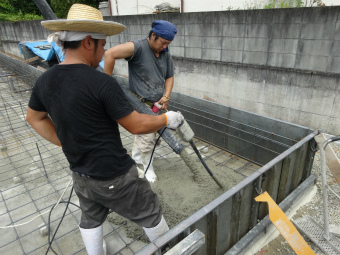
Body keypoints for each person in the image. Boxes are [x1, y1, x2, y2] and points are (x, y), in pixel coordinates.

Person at [25, 4, 184, 255]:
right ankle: (172, 249)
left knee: (91, 216)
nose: (104, 51)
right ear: (89, 42)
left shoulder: (46, 79)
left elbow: (33, 118)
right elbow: (136, 125)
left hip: (81, 173)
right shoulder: (100, 82)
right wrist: (168, 119)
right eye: (102, 44)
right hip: (113, 176)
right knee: (149, 210)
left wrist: (65, 142)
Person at [104, 20, 177, 183]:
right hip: (139, 103)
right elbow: (109, 54)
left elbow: (170, 76)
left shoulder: (165, 53)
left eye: (168, 44)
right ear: (152, 35)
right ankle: (147, 168)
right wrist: (106, 84)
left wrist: (166, 96)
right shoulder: (137, 47)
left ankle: (137, 158)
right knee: (148, 137)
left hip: (157, 104)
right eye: (163, 42)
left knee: (152, 137)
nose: (165, 46)